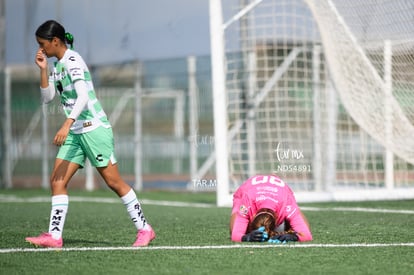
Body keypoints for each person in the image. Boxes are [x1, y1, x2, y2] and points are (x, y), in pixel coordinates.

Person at [25, 20, 155, 248]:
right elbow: (47, 98)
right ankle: (54, 236)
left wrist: (66, 125)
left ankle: (145, 229)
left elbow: (83, 97)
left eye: (42, 44)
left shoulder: (73, 60)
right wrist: (44, 70)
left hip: (94, 129)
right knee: (57, 181)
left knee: (114, 182)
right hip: (75, 133)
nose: (40, 48)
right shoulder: (57, 65)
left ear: (55, 41)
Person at [230, 174, 312, 243]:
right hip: (246, 190)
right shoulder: (247, 201)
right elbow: (235, 235)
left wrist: (293, 237)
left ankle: (285, 224)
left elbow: (306, 235)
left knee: (294, 224)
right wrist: (246, 237)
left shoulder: (286, 203)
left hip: (281, 193)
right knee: (235, 229)